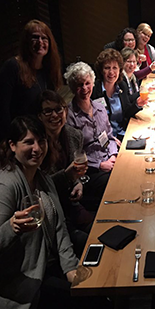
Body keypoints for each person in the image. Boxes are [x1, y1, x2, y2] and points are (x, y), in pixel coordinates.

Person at [0, 116, 78, 309]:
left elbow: (59, 229)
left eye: (41, 141)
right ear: (12, 146)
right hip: (20, 285)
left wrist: (71, 269)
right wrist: (11, 228)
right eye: (29, 142)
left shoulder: (42, 178)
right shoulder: (3, 186)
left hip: (47, 268)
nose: (37, 148)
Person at [0, 19, 63, 155]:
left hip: (40, 138)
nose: (40, 42)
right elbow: (1, 113)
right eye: (35, 37)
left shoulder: (49, 69)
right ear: (26, 42)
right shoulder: (12, 67)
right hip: (20, 142)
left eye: (44, 38)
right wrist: (13, 145)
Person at [37, 91, 93, 251]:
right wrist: (67, 176)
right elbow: (39, 188)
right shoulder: (37, 145)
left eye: (58, 109)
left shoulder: (73, 135)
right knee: (91, 243)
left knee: (104, 228)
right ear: (39, 116)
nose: (54, 115)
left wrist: (78, 183)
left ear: (65, 111)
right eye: (48, 111)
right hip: (53, 213)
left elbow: (77, 174)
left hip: (73, 204)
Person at [65, 62, 118, 209]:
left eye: (87, 83)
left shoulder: (99, 107)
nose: (84, 89)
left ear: (93, 84)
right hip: (90, 171)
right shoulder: (69, 116)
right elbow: (74, 153)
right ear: (72, 87)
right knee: (116, 182)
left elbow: (109, 135)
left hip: (109, 159)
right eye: (79, 85)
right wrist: (100, 165)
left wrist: (113, 155)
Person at [91, 49, 148, 142]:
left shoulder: (121, 86)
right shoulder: (95, 91)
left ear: (120, 69)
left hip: (123, 134)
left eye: (115, 68)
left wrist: (137, 105)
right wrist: (110, 140)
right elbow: (94, 125)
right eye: (107, 68)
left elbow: (126, 113)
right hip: (106, 140)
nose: (111, 72)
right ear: (101, 70)